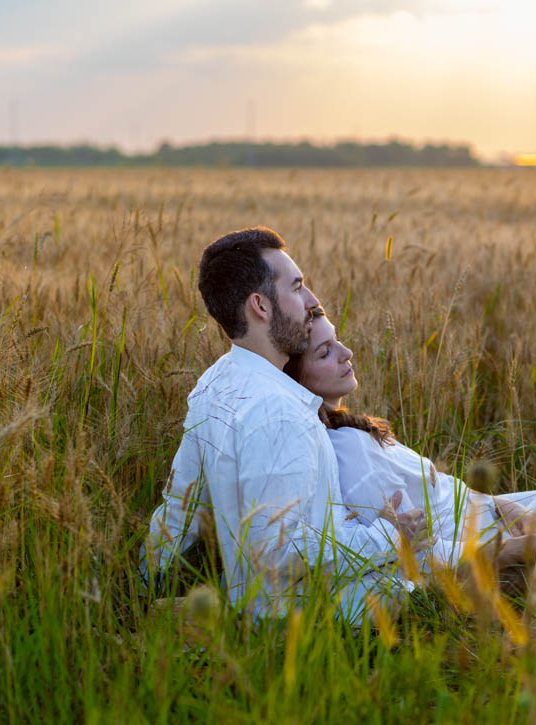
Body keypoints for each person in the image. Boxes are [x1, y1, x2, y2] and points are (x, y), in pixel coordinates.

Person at [142, 227, 422, 620]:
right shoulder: (280, 412)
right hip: (306, 623)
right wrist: (389, 535)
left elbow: (180, 508)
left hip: (252, 608)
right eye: (297, 288)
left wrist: (141, 584)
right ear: (261, 306)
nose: (311, 302)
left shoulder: (215, 381)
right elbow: (280, 547)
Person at [282, 310, 536, 573]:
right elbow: (419, 553)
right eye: (324, 353)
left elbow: (444, 491)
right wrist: (523, 547)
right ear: (298, 381)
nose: (346, 351)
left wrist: (504, 502)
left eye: (337, 339)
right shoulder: (344, 454)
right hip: (495, 543)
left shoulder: (346, 429)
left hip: (503, 514)